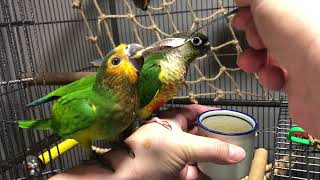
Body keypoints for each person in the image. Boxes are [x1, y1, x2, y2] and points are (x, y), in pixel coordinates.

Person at [51, 0, 320, 179]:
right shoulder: (156, 70)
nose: (204, 47)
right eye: (195, 43)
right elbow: (132, 103)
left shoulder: (179, 70)